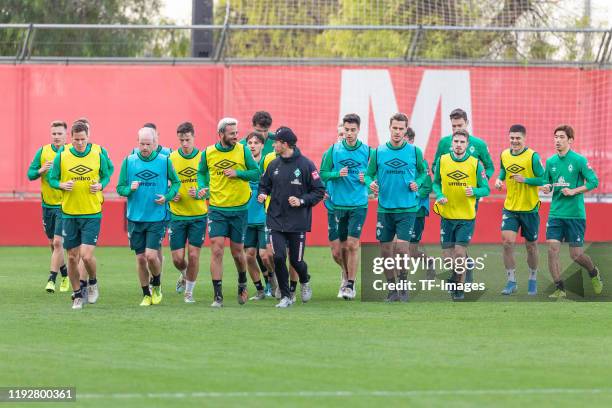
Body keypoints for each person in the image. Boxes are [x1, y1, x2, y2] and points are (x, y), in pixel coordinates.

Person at [521, 125, 601, 298]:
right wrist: (545, 187)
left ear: (570, 140)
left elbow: (594, 182)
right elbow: (546, 183)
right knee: (552, 249)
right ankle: (559, 287)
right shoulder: (550, 162)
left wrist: (573, 191)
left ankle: (593, 272)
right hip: (556, 214)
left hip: (575, 215)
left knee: (576, 255)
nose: (557, 140)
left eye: (561, 137)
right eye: (555, 137)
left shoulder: (579, 160)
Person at [48, 121, 113, 309]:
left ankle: (92, 282)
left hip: (92, 212)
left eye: (83, 140)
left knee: (86, 255)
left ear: (88, 136)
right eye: (76, 140)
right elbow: (52, 178)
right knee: (71, 257)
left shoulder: (98, 153)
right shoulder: (63, 154)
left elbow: (108, 173)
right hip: (69, 213)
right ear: (71, 138)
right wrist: (60, 185)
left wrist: (101, 185)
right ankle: (77, 294)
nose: (80, 143)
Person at [258, 127, 325, 308]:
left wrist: (302, 200)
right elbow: (263, 185)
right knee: (278, 257)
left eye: (276, 142)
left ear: (285, 144)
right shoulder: (273, 165)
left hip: (297, 222)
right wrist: (262, 194)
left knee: (296, 261)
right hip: (276, 219)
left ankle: (305, 279)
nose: (273, 145)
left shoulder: (306, 165)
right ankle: (285, 297)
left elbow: (319, 190)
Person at [197, 117, 260, 307]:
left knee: (237, 252)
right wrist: (202, 186)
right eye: (232, 133)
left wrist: (238, 173)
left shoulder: (243, 150)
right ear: (221, 134)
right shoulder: (208, 152)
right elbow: (200, 172)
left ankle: (242, 282)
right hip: (216, 208)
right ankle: (218, 295)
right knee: (216, 249)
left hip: (239, 209)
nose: (236, 136)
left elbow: (256, 173)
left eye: (237, 133)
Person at [366, 113, 428, 302]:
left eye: (401, 129)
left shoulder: (415, 152)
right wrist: (371, 184)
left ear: (405, 130)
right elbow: (368, 175)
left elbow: (423, 172)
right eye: (395, 128)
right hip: (385, 208)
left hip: (408, 208)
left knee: (401, 249)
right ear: (390, 127)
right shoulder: (379, 152)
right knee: (385, 251)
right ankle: (392, 290)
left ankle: (403, 286)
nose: (398, 132)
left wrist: (417, 182)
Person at [117, 127, 179, 305]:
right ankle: (146, 293)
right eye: (142, 143)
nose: (144, 147)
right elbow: (120, 188)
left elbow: (176, 183)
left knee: (151, 256)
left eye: (148, 144)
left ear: (154, 143)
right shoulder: (129, 161)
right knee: (140, 258)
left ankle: (157, 284)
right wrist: (130, 189)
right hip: (135, 218)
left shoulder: (164, 161)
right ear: (137, 142)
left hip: (157, 217)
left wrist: (166, 197)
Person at [433, 108, 494, 283]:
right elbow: (435, 167)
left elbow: (489, 167)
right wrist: (441, 190)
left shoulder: (479, 145)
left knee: (460, 245)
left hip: (469, 200)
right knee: (450, 252)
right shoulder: (445, 143)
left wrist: (478, 184)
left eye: (460, 125)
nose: (456, 129)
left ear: (467, 124)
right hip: (448, 199)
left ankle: (460, 281)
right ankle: (464, 267)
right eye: (453, 126)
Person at [320, 114, 372, 300]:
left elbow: (375, 174)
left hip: (358, 204)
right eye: (346, 130)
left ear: (358, 130)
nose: (349, 134)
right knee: (338, 250)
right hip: (337, 205)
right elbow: (323, 174)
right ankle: (345, 274)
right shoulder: (334, 150)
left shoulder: (368, 151)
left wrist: (366, 178)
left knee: (352, 244)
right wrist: (336, 174)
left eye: (352, 130)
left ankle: (350, 284)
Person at [494, 124, 544, 295]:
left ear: (524, 138)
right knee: (507, 243)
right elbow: (503, 171)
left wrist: (526, 180)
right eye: (512, 138)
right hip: (510, 207)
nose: (514, 141)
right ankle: (511, 281)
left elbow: (543, 179)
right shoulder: (504, 154)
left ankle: (532, 277)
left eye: (518, 138)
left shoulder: (532, 157)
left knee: (531, 246)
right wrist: (499, 180)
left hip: (529, 208)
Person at [168, 122, 208, 303]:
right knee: (177, 259)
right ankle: (184, 274)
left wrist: (202, 192)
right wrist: (171, 194)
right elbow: (165, 182)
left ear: (194, 137)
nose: (185, 143)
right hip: (177, 215)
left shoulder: (203, 158)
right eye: (182, 140)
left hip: (198, 215)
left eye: (188, 139)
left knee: (193, 255)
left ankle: (189, 293)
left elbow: (211, 185)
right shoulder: (171, 158)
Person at [28, 120, 70, 293]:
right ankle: (65, 275)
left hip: (64, 205)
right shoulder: (43, 151)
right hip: (47, 205)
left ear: (66, 135)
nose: (56, 137)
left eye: (60, 133)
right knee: (53, 244)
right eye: (54, 133)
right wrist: (40, 171)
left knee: (59, 243)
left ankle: (52, 279)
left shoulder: (70, 153)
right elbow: (30, 174)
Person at [244, 132, 275, 300]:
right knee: (249, 255)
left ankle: (272, 279)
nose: (253, 145)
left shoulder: (267, 164)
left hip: (264, 216)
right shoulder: (243, 165)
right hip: (246, 217)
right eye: (250, 142)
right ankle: (260, 290)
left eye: (256, 142)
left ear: (263, 145)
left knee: (265, 254)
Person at [404, 127, 436, 280]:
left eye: (405, 139)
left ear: (411, 141)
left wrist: (414, 195)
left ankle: (428, 262)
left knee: (412, 249)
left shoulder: (421, 161)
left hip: (417, 210)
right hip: (400, 210)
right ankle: (401, 281)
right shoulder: (395, 161)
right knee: (399, 245)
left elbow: (428, 186)